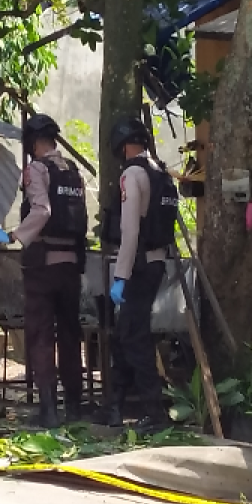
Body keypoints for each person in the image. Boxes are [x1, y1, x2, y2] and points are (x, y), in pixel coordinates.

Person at [0, 113, 88, 428]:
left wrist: (14, 235)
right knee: (70, 335)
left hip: (43, 265)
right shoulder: (73, 172)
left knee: (42, 335)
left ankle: (48, 410)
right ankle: (74, 405)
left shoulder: (36, 170)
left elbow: (43, 210)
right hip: (72, 265)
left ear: (31, 143)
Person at [102, 120, 179, 431]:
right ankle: (114, 407)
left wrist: (121, 275)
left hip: (139, 265)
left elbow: (130, 229)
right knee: (126, 334)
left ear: (122, 146)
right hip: (157, 261)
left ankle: (154, 412)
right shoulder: (160, 173)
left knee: (135, 338)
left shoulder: (132, 174)